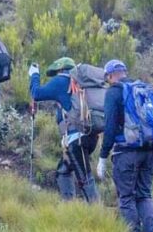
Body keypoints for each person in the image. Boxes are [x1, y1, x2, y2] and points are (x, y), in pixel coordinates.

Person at [96, 59, 153, 232]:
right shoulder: (144, 88)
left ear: (110, 76)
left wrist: (103, 157)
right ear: (125, 72)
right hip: (151, 150)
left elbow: (110, 126)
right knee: (145, 194)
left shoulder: (114, 91)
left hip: (126, 153)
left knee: (126, 197)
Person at [28, 57, 100, 202]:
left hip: (75, 139)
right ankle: (68, 207)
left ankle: (97, 212)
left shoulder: (61, 81)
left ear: (60, 69)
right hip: (90, 136)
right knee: (63, 170)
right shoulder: (83, 83)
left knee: (84, 178)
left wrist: (34, 75)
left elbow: (36, 93)